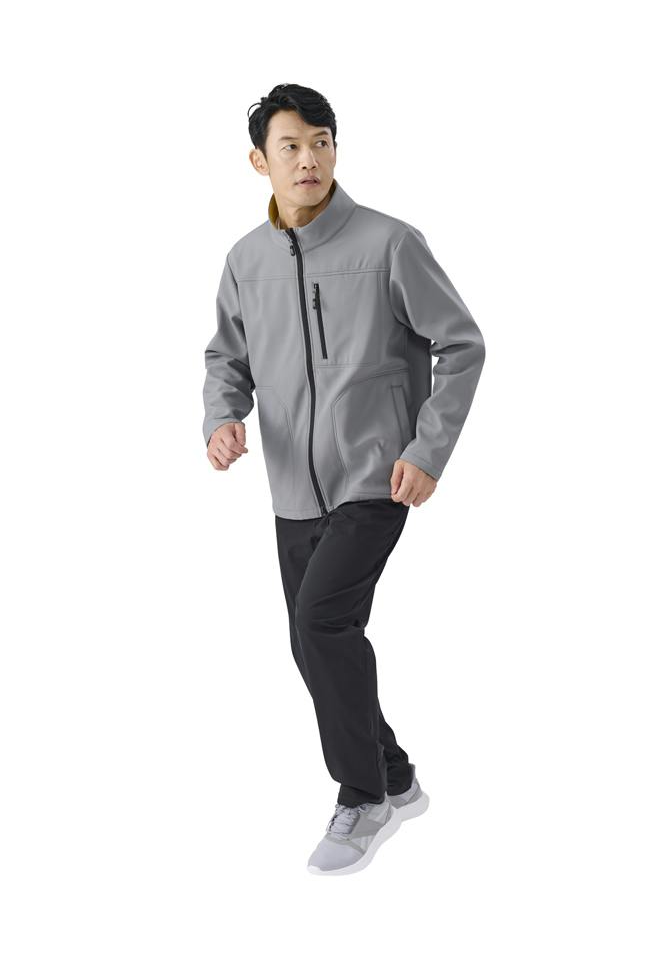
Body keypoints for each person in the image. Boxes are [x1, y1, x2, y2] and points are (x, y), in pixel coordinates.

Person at [201, 84, 486, 875]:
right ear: (259, 161)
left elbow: (462, 345)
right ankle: (394, 773)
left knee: (321, 625)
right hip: (292, 486)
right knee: (314, 640)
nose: (308, 159)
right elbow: (226, 358)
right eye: (290, 145)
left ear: (335, 149)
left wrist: (427, 450)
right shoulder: (245, 260)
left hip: (376, 474)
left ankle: (362, 796)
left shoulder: (389, 243)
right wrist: (222, 417)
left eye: (321, 142)